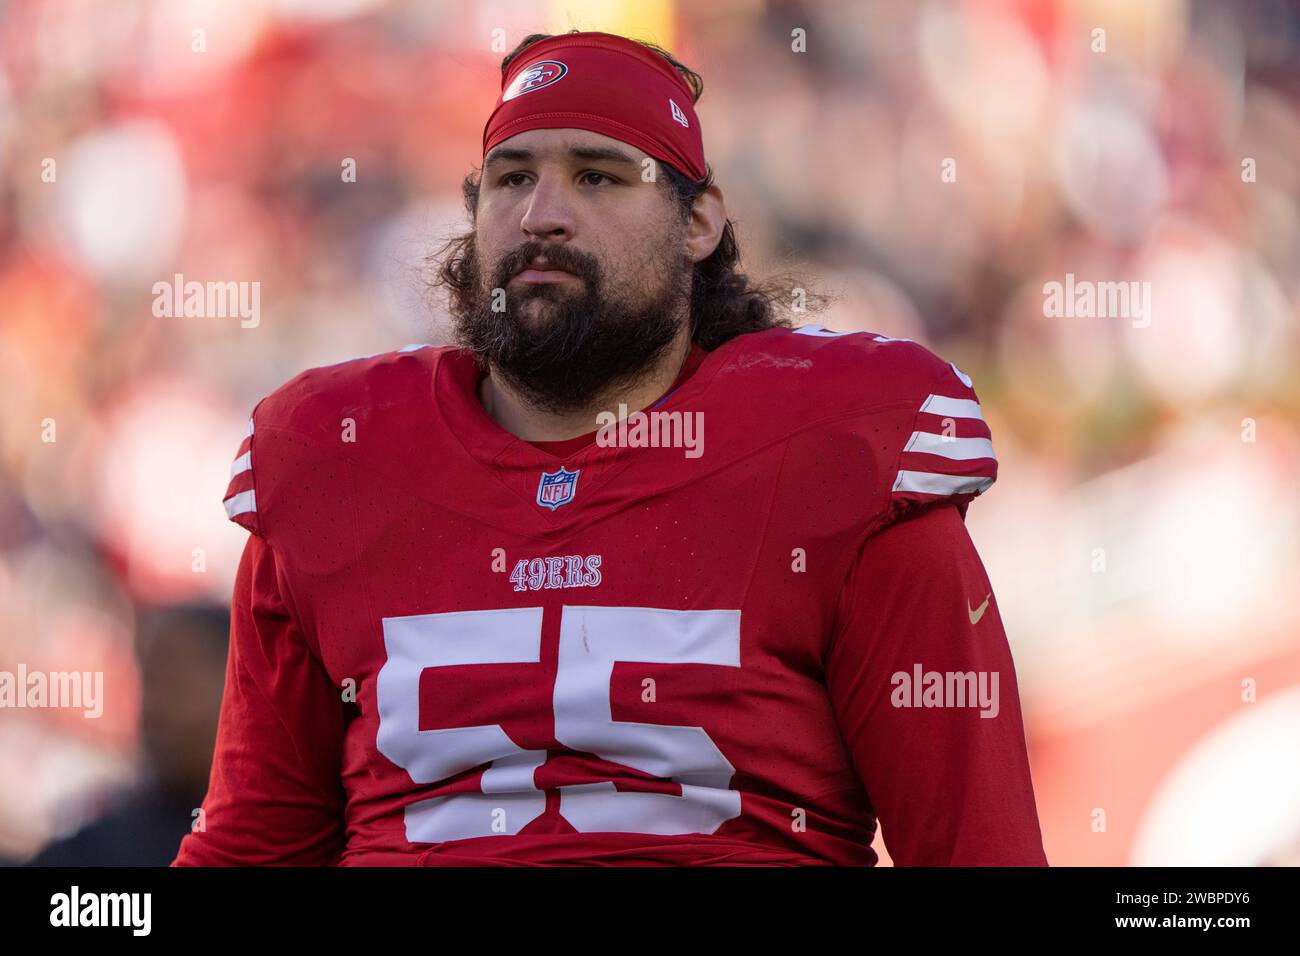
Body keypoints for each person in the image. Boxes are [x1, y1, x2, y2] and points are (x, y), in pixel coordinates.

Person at [173, 30, 1046, 866]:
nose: (542, 216)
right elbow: (254, 848)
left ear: (698, 224)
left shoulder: (834, 449)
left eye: (598, 176)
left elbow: (977, 853)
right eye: (512, 179)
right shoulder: (337, 459)